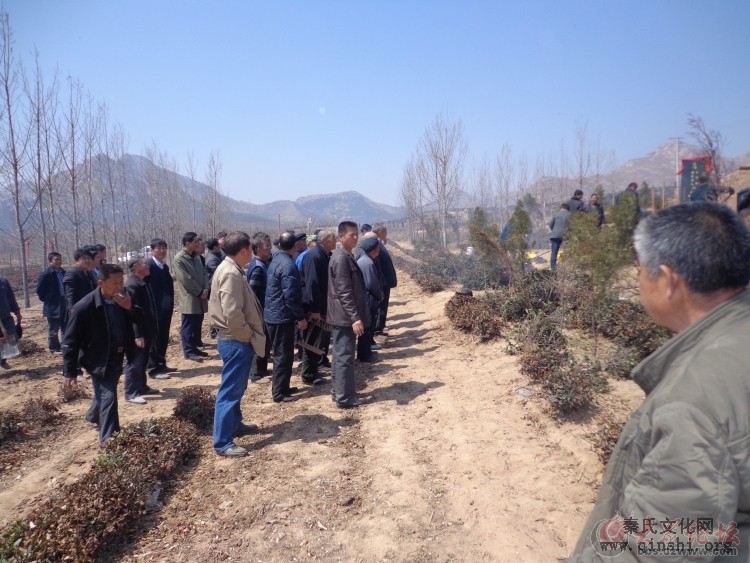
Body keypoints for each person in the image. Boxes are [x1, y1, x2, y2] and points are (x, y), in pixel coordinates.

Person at [567, 202, 750, 561]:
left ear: (667, 281)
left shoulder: (693, 399)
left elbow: (657, 550)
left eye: (641, 271)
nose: (639, 282)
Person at [62, 264, 143, 444]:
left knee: (106, 391)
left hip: (117, 355)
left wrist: (130, 308)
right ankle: (110, 441)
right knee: (109, 396)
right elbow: (70, 341)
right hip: (97, 359)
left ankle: (92, 415)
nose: (119, 286)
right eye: (114, 283)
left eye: (121, 281)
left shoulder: (123, 299)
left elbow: (140, 319)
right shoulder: (84, 307)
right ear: (101, 283)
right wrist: (70, 370)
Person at [208, 232, 266, 458]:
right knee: (229, 391)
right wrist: (246, 335)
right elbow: (232, 313)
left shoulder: (231, 268)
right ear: (242, 250)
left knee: (237, 388)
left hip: (235, 339)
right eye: (250, 249)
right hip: (235, 340)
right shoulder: (230, 272)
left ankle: (235, 425)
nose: (252, 253)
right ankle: (222, 442)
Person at [327, 221, 369, 409]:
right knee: (344, 357)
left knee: (340, 356)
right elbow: (344, 292)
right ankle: (345, 397)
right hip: (344, 317)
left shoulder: (345, 255)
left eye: (356, 234)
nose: (355, 237)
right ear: (341, 236)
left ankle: (339, 392)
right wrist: (355, 317)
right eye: (351, 235)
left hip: (342, 315)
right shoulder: (341, 258)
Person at [265, 232, 308, 402]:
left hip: (275, 315)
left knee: (285, 354)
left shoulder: (276, 259)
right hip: (281, 317)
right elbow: (290, 296)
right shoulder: (288, 265)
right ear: (295, 245)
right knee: (282, 355)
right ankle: (279, 393)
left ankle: (284, 386)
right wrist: (300, 317)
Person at [299, 229, 336, 385]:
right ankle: (308, 375)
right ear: (324, 240)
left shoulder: (324, 255)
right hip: (313, 307)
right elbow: (312, 284)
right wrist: (315, 310)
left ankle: (313, 370)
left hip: (321, 306)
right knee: (312, 341)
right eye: (333, 239)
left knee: (318, 340)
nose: (335, 241)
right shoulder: (314, 256)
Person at [123, 257, 160, 404]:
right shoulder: (132, 285)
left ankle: (142, 386)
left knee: (143, 360)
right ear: (136, 267)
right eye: (144, 264)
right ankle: (131, 392)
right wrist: (138, 334)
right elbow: (132, 313)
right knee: (135, 361)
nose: (148, 266)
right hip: (138, 332)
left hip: (147, 328)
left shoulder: (142, 282)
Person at [173, 232, 210, 361]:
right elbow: (185, 279)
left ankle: (194, 348)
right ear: (187, 243)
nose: (198, 244)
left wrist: (206, 288)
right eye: (195, 242)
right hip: (190, 298)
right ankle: (188, 350)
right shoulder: (179, 259)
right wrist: (200, 292)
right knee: (188, 325)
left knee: (197, 323)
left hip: (201, 295)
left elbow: (205, 273)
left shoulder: (197, 257)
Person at [145, 238, 177, 378]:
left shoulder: (164, 266)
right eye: (159, 248)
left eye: (164, 248)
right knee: (154, 338)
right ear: (152, 250)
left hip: (165, 308)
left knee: (163, 337)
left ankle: (161, 363)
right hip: (154, 309)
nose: (162, 251)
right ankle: (153, 368)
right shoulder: (148, 266)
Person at [247, 232, 273, 380]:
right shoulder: (257, 267)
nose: (269, 248)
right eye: (266, 246)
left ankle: (262, 369)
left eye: (269, 245)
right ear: (256, 248)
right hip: (259, 311)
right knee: (259, 341)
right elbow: (253, 294)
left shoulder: (265, 264)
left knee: (265, 342)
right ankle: (256, 372)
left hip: (265, 310)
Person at [356, 237, 383, 362]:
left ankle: (365, 352)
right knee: (368, 327)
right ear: (374, 249)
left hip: (366, 298)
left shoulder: (365, 260)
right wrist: (380, 295)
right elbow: (372, 284)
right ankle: (365, 354)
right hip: (369, 299)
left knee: (367, 326)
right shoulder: (368, 263)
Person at [36, 252, 67, 354]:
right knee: (54, 329)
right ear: (50, 262)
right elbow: (40, 290)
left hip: (64, 303)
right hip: (52, 305)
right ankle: (54, 348)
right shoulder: (46, 274)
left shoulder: (63, 272)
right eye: (56, 259)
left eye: (59, 259)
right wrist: (48, 300)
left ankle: (64, 346)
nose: (58, 261)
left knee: (65, 326)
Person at [372, 224, 397, 336]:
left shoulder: (379, 244)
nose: (386, 235)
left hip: (383, 281)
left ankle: (380, 327)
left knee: (383, 306)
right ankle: (378, 329)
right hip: (381, 282)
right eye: (385, 233)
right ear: (381, 232)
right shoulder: (375, 245)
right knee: (381, 306)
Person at [63, 248, 96, 318]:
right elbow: (70, 294)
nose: (87, 260)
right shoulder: (72, 273)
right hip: (79, 309)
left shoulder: (89, 273)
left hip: (90, 307)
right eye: (84, 258)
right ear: (76, 261)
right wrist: (72, 309)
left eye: (89, 258)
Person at [0, 274, 21, 370]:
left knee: (14, 337)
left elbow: (11, 298)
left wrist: (17, 312)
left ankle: (2, 360)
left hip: (5, 316)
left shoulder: (3, 281)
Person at [548, 203, 571, 270]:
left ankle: (553, 270)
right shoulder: (570, 215)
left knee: (554, 254)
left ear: (561, 208)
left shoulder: (556, 214)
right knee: (568, 251)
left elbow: (550, 224)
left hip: (555, 235)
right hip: (566, 236)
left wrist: (554, 230)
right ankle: (568, 268)